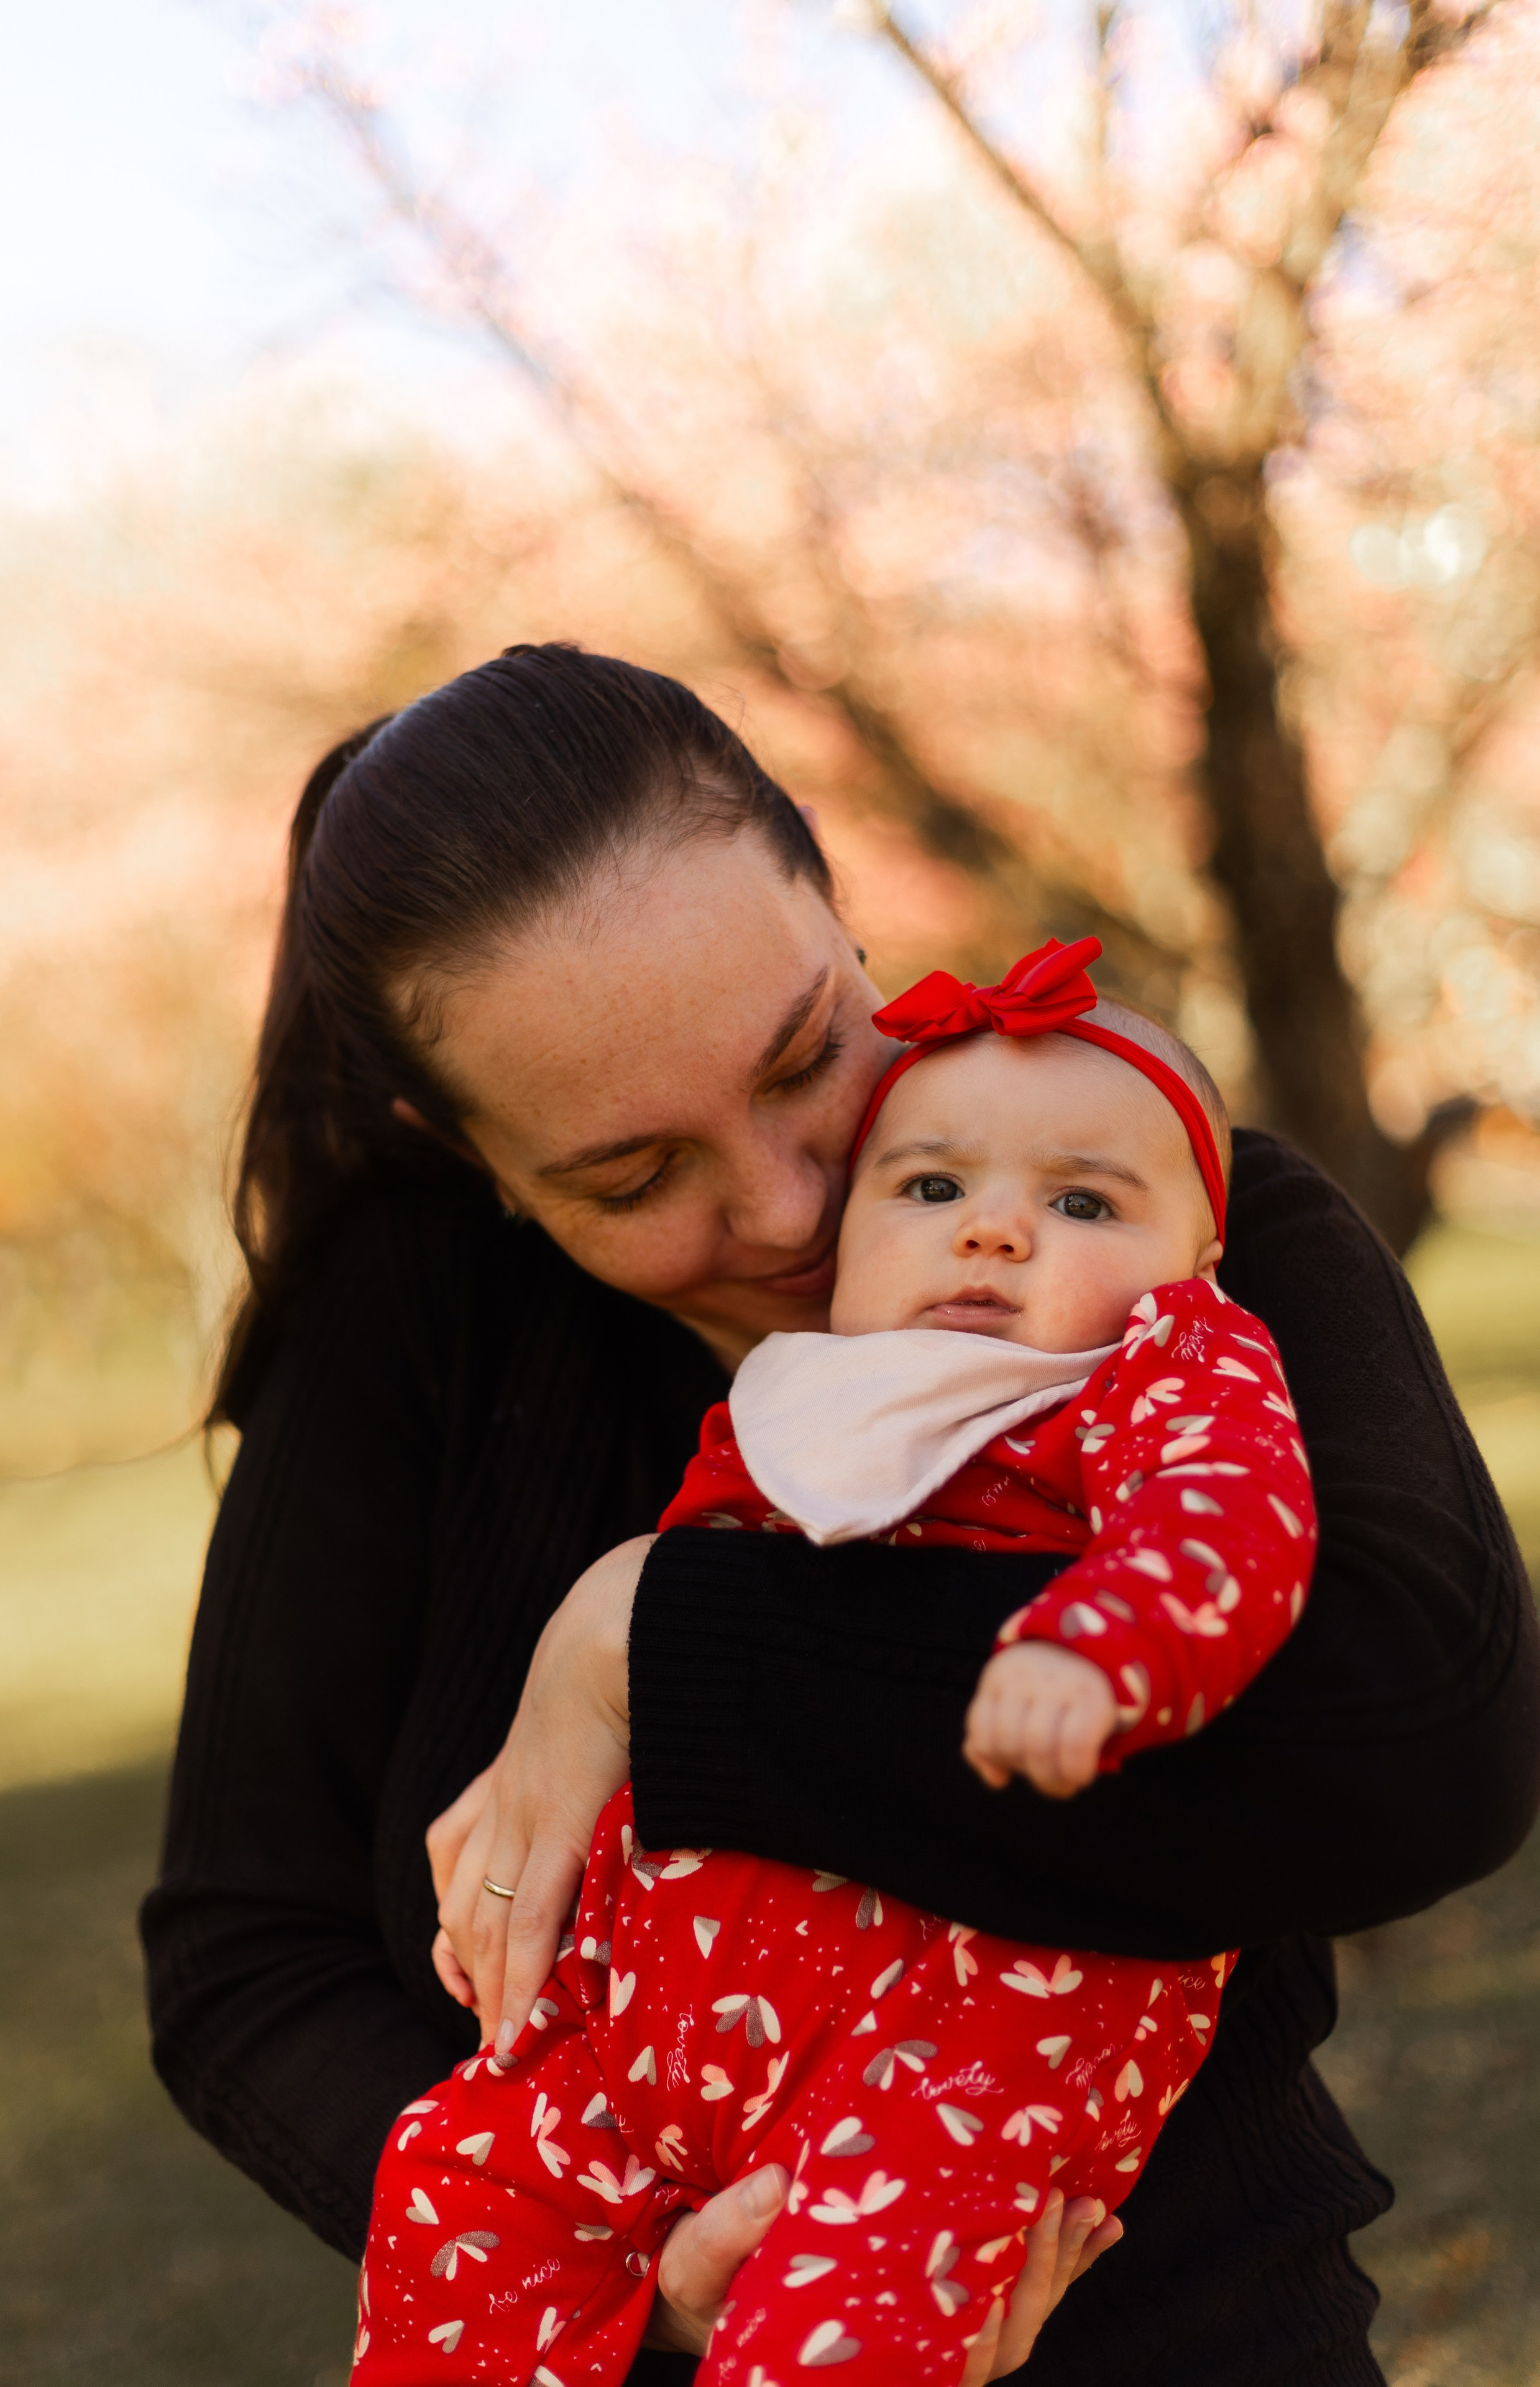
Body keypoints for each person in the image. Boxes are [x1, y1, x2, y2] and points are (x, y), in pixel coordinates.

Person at [141, 645, 1540, 2387]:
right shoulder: (420, 1316)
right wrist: (617, 2276)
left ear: (842, 901)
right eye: (633, 1176)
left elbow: (1417, 1739)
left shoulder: (1173, 1227)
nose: (791, 1202)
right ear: (477, 1160)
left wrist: (650, 1635)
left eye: (809, 1055)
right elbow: (241, 1961)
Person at [351, 936, 1318, 2386]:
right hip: (653, 2034)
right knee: (445, 2190)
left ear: (1197, 1258)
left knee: (833, 2338)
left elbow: (1227, 1518)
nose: (990, 1231)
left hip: (968, 2034)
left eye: (1078, 1200)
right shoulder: (798, 1400)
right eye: (929, 1189)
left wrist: (1099, 1645)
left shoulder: (1152, 1368)